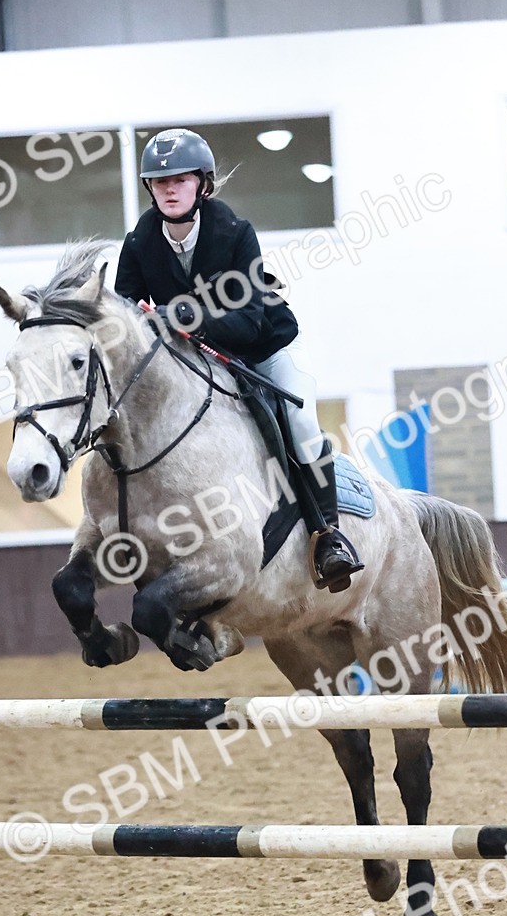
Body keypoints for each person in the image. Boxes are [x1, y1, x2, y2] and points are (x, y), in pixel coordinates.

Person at [114, 127, 363, 592]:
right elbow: (126, 320)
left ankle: (328, 535)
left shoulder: (235, 233)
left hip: (262, 351)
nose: (170, 189)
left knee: (301, 423)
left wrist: (181, 316)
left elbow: (247, 323)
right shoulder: (138, 242)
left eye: (180, 180)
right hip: (197, 360)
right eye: (160, 181)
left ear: (203, 184)